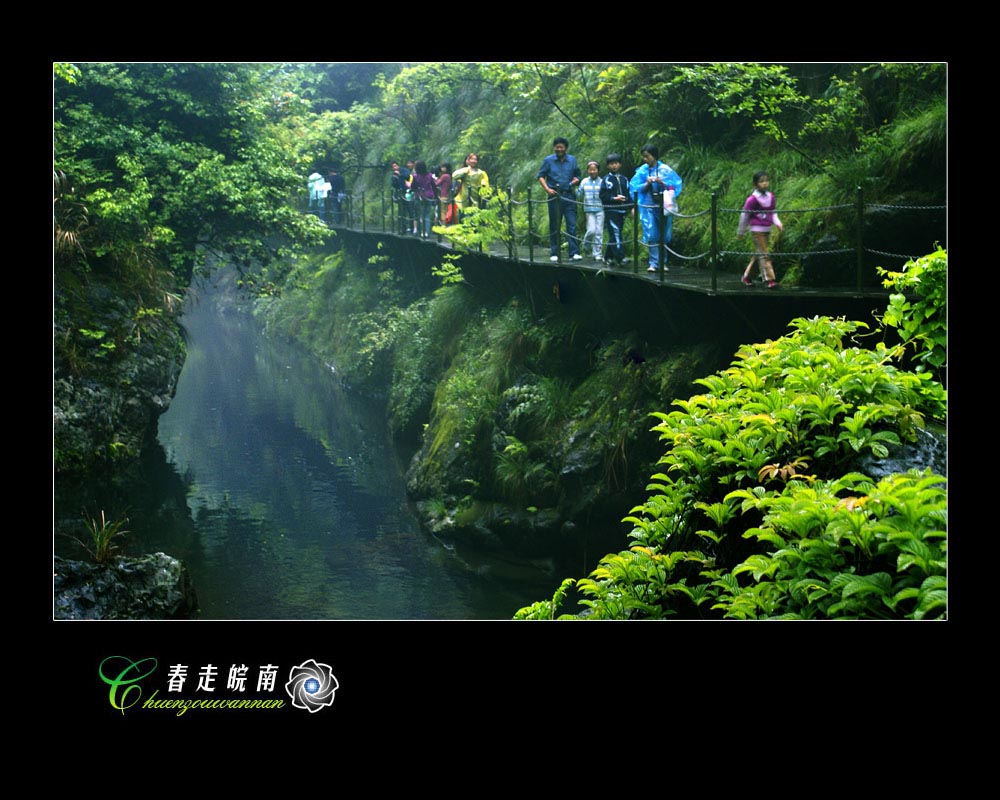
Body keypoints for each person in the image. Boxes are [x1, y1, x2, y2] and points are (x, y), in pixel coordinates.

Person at [629, 143, 682, 273]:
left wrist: (662, 182)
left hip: (663, 205)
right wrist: (647, 183)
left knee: (663, 234)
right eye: (644, 157)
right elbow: (634, 187)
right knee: (651, 234)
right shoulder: (642, 171)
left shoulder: (665, 170)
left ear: (654, 155)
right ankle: (653, 262)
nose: (645, 159)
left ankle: (663, 262)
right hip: (648, 205)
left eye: (647, 156)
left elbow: (675, 186)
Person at [537, 137, 582, 261]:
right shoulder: (548, 160)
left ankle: (574, 252)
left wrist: (575, 180)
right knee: (555, 224)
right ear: (554, 148)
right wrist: (547, 189)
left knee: (571, 224)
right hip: (554, 196)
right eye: (557, 147)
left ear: (566, 148)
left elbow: (578, 175)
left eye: (561, 147)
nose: (559, 149)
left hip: (569, 196)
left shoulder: (572, 160)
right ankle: (554, 252)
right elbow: (541, 176)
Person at [737, 170, 783, 289]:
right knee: (764, 254)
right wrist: (740, 232)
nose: (765, 183)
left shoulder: (771, 197)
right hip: (757, 230)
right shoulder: (752, 199)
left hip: (767, 228)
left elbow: (773, 212)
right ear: (755, 184)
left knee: (759, 254)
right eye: (761, 181)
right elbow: (744, 215)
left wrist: (778, 223)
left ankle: (747, 276)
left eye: (766, 181)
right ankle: (769, 279)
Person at [600, 153, 631, 266]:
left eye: (616, 163)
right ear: (608, 166)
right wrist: (614, 198)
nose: (614, 166)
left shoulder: (624, 179)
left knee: (615, 234)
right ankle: (620, 258)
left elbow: (629, 194)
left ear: (620, 164)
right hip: (611, 210)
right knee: (616, 233)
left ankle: (607, 257)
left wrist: (631, 206)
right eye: (611, 164)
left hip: (622, 210)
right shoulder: (606, 179)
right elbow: (602, 196)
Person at [577, 160, 604, 260]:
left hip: (600, 209)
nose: (592, 171)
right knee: (591, 230)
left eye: (594, 169)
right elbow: (579, 194)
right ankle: (586, 246)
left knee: (599, 232)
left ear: (598, 170)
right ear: (588, 170)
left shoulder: (602, 182)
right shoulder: (584, 181)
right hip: (588, 209)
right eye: (590, 169)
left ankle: (597, 253)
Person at [451, 153, 490, 220]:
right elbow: (454, 176)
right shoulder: (464, 171)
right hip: (464, 199)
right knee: (464, 217)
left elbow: (485, 185)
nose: (473, 161)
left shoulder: (481, 173)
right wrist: (467, 169)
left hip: (476, 198)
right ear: (468, 160)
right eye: (471, 159)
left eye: (475, 159)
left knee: (475, 216)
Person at [409, 160, 437, 238]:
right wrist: (435, 196)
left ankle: (421, 231)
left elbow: (413, 186)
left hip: (419, 196)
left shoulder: (415, 176)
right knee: (427, 214)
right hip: (428, 196)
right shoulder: (430, 175)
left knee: (420, 214)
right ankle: (427, 232)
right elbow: (433, 185)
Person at [390, 161, 411, 234]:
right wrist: (395, 179)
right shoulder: (394, 174)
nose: (394, 168)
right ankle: (403, 227)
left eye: (395, 166)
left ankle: (412, 227)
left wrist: (400, 175)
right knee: (402, 211)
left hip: (408, 192)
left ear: (398, 165)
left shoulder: (404, 170)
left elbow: (408, 177)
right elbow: (393, 184)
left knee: (410, 209)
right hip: (399, 193)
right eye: (393, 167)